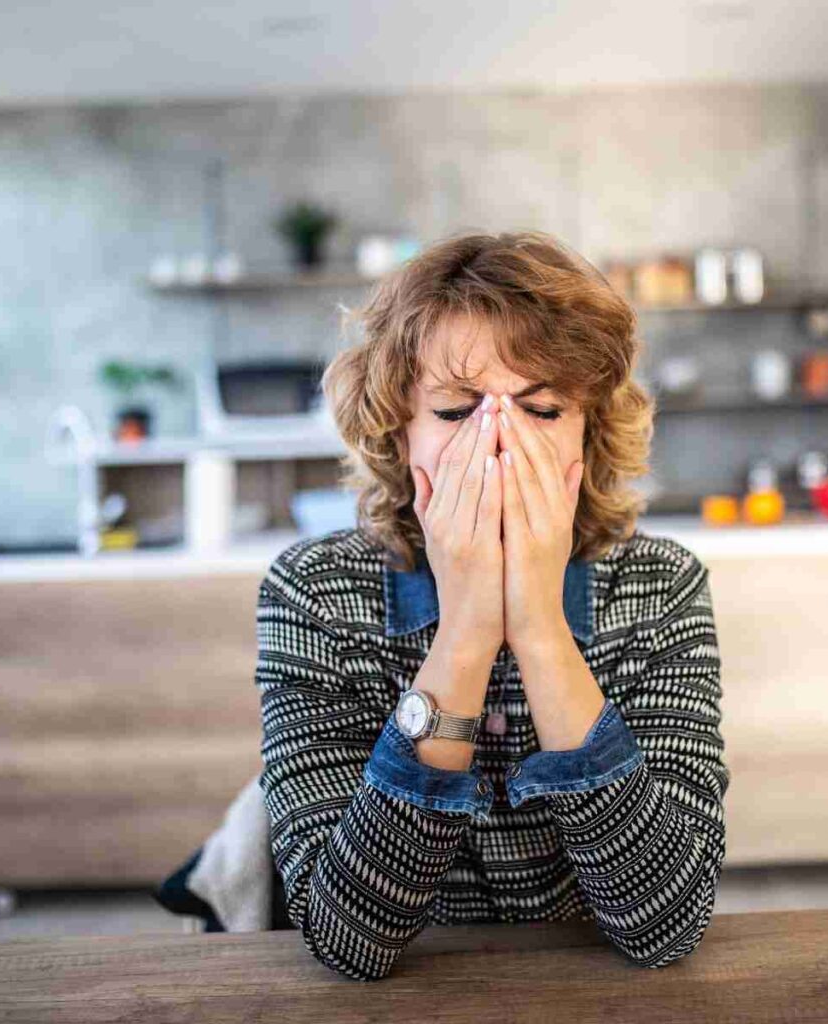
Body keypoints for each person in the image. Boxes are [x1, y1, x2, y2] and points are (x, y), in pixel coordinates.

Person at [256, 229, 729, 982]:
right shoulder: (314, 592)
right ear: (399, 434)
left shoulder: (660, 585)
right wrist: (468, 633)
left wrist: (540, 628)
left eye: (541, 410)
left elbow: (663, 928)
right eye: (455, 412)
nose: (499, 449)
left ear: (590, 434)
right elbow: (347, 942)